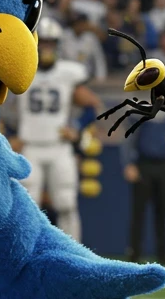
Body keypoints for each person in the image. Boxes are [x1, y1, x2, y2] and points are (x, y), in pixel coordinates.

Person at [11, 17, 102, 241]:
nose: (46, 48)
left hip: (59, 145)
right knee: (27, 206)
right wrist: (10, 135)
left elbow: (92, 104)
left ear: (58, 45)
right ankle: (25, 253)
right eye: (43, 42)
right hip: (29, 146)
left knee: (66, 203)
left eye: (50, 43)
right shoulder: (21, 68)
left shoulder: (67, 72)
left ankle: (73, 253)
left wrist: (77, 129)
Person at [121, 116, 165, 266]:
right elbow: (129, 136)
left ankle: (164, 255)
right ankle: (134, 253)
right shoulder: (143, 111)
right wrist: (128, 163)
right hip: (144, 164)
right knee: (138, 212)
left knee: (163, 212)